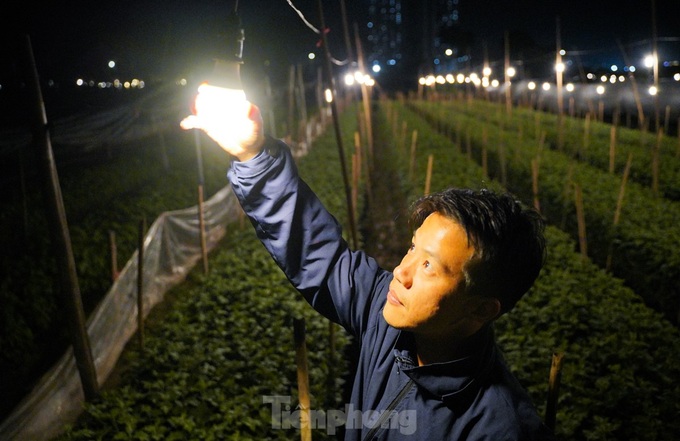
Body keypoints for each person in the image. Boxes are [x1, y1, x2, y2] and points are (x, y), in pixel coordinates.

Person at [181, 84, 553, 440]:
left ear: (481, 309)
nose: (400, 272)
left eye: (429, 267)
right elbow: (318, 255)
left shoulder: (498, 429)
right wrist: (255, 156)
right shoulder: (388, 317)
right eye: (412, 249)